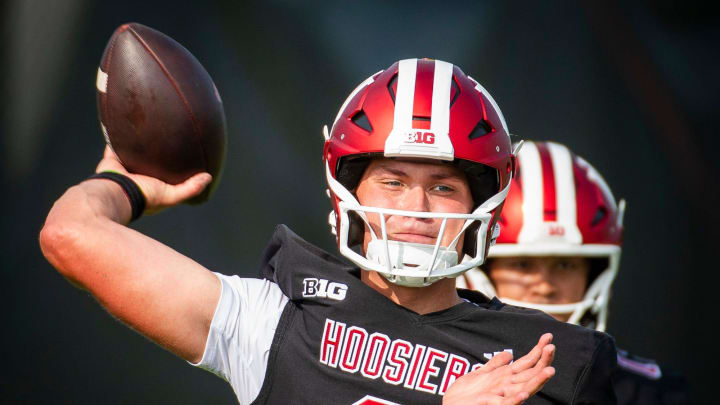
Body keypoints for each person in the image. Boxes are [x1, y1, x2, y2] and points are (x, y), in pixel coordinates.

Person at [40, 59, 617, 404]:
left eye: (443, 186)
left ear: (482, 205)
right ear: (348, 191)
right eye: (392, 180)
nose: (416, 206)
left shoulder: (543, 360)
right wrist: (128, 185)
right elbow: (71, 236)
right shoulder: (276, 319)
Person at [458, 140, 690, 404]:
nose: (545, 286)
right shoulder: (443, 373)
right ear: (480, 268)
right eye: (522, 265)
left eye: (564, 265)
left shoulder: (647, 393)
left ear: (593, 272)